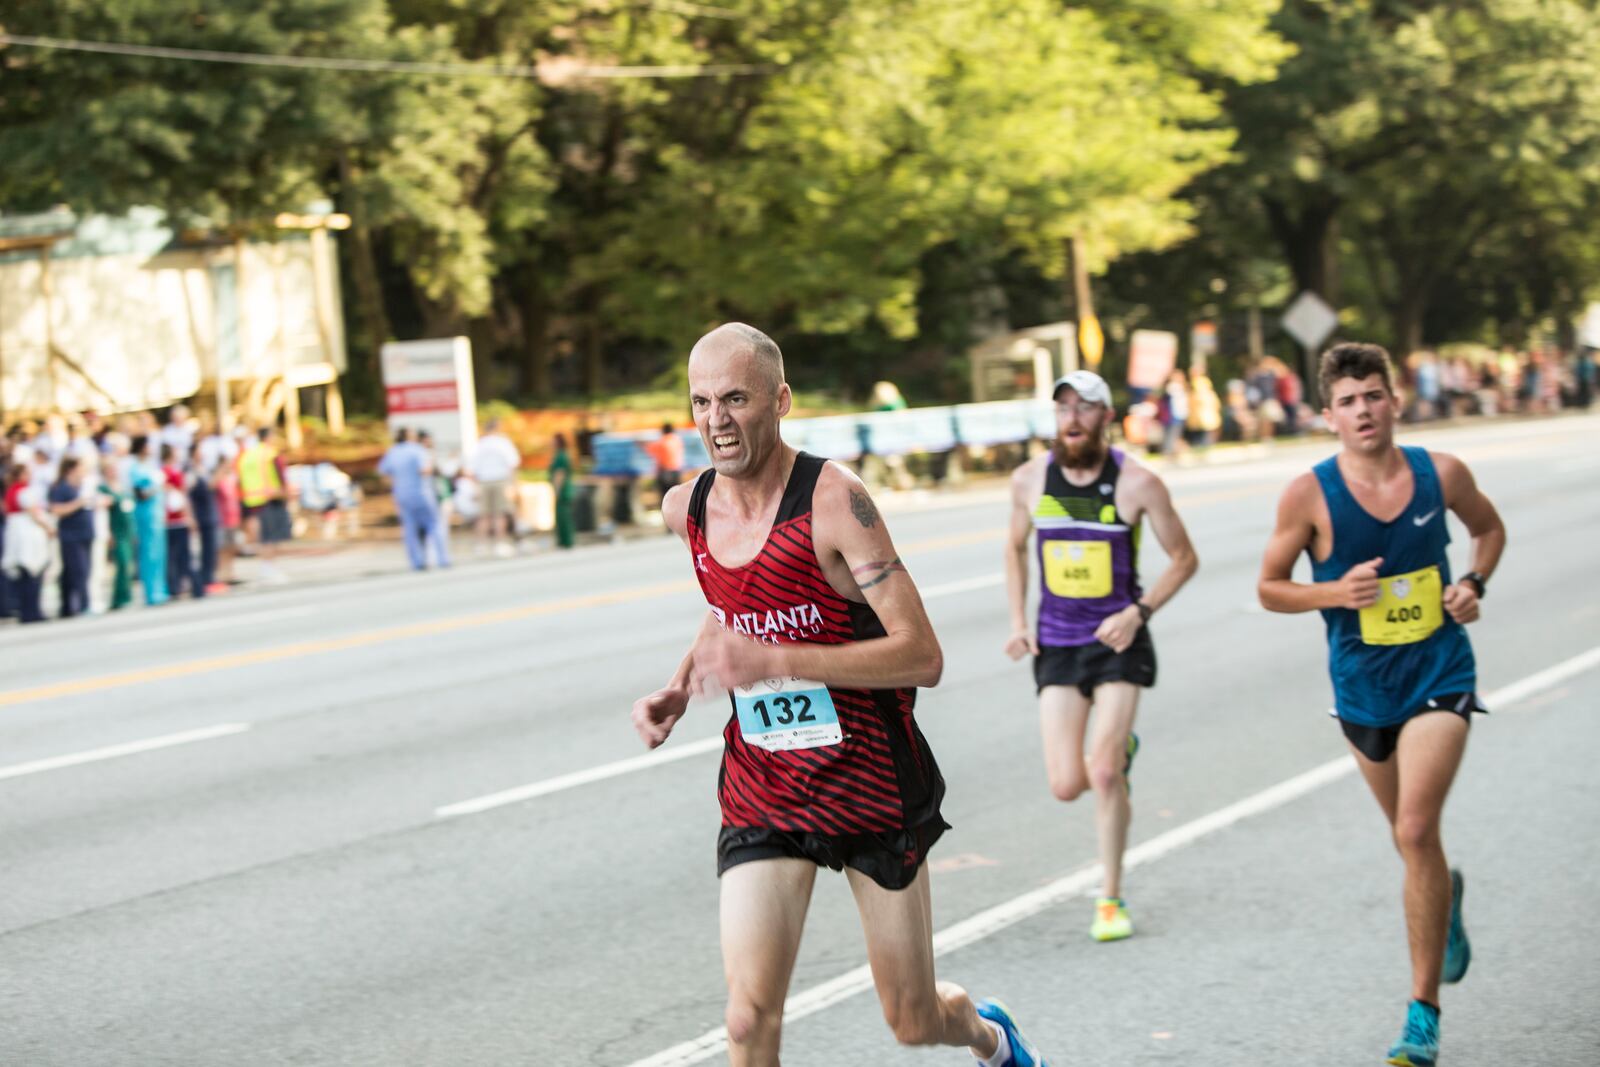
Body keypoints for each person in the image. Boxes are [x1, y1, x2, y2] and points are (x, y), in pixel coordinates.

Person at [631, 323, 1051, 1067]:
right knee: (745, 1018)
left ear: (780, 399)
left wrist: (771, 658)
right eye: (699, 401)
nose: (716, 420)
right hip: (765, 786)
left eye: (735, 398)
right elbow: (735, 600)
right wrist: (678, 682)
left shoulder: (834, 501)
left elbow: (922, 655)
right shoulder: (686, 508)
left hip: (872, 786)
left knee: (913, 1017)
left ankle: (992, 1038)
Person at [1258, 342, 1507, 1067]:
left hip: (1439, 666)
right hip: (1362, 685)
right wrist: (1334, 591)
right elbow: (1270, 586)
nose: (1363, 409)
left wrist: (1473, 584)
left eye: (1374, 394)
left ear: (1395, 399)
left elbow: (1488, 530)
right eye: (1348, 400)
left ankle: (1422, 1013)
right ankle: (1444, 898)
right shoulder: (1308, 494)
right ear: (1327, 416)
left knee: (1416, 823)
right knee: (1412, 843)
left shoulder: (1443, 474)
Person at [1004, 370, 1199, 942]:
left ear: (1106, 418)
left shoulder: (1139, 483)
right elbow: (1013, 549)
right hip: (1058, 643)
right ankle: (1116, 756)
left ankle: (1110, 898)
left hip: (1118, 640)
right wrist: (1019, 621)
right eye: (1063, 406)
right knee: (1067, 783)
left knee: (1105, 772)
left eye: (1085, 407)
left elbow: (1184, 558)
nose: (1072, 418)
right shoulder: (1029, 479)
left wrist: (1139, 612)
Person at [378, 427, 450, 571]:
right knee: (434, 524)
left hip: (401, 494)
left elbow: (383, 471)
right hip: (421, 492)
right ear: (410, 436)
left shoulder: (393, 452)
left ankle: (417, 562)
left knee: (410, 528)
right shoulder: (417, 450)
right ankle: (443, 558)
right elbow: (424, 470)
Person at [238, 427, 291, 583]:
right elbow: (281, 475)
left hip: (253, 499)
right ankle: (270, 568)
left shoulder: (248, 454)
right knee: (271, 537)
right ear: (269, 437)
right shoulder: (270, 454)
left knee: (264, 536)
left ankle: (266, 568)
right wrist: (285, 493)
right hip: (271, 497)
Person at [2, 461, 53, 623]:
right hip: (27, 536)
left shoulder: (10, 491)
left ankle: (26, 610)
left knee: (25, 576)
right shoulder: (23, 491)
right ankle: (32, 610)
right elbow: (34, 513)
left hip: (16, 534)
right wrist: (48, 527)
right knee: (32, 574)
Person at [47, 456, 97, 617]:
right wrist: (78, 503)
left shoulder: (82, 486)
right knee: (79, 571)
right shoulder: (61, 488)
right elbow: (56, 510)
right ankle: (84, 605)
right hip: (71, 535)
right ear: (71, 470)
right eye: (80, 468)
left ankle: (67, 607)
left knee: (81, 570)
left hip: (85, 533)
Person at [469, 418, 522, 558]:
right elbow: (512, 464)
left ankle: (481, 545)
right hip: (500, 480)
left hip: (483, 482)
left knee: (483, 515)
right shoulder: (502, 443)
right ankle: (500, 544)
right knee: (500, 514)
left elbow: (472, 468)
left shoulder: (480, 444)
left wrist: (475, 487)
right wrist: (514, 485)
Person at [128, 436, 170, 606]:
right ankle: (151, 591)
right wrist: (157, 487)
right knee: (149, 553)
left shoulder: (151, 466)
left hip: (157, 513)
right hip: (146, 515)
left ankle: (161, 588)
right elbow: (141, 494)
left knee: (160, 552)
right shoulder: (135, 468)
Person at [161, 443, 204, 599]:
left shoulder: (168, 472)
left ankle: (179, 586)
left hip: (173, 519)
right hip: (174, 519)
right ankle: (190, 586)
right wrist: (189, 516)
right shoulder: (169, 473)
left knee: (176, 555)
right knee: (181, 555)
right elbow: (183, 496)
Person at [645, 420, 686, 507]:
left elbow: (649, 450)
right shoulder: (677, 440)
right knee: (676, 495)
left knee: (665, 497)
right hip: (677, 471)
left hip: (665, 472)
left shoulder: (662, 441)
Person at [549, 434, 576, 550]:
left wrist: (557, 490)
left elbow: (559, 474)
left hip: (562, 491)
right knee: (563, 516)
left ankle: (566, 541)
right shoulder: (562, 455)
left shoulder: (560, 456)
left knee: (563, 517)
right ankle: (565, 541)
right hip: (565, 490)